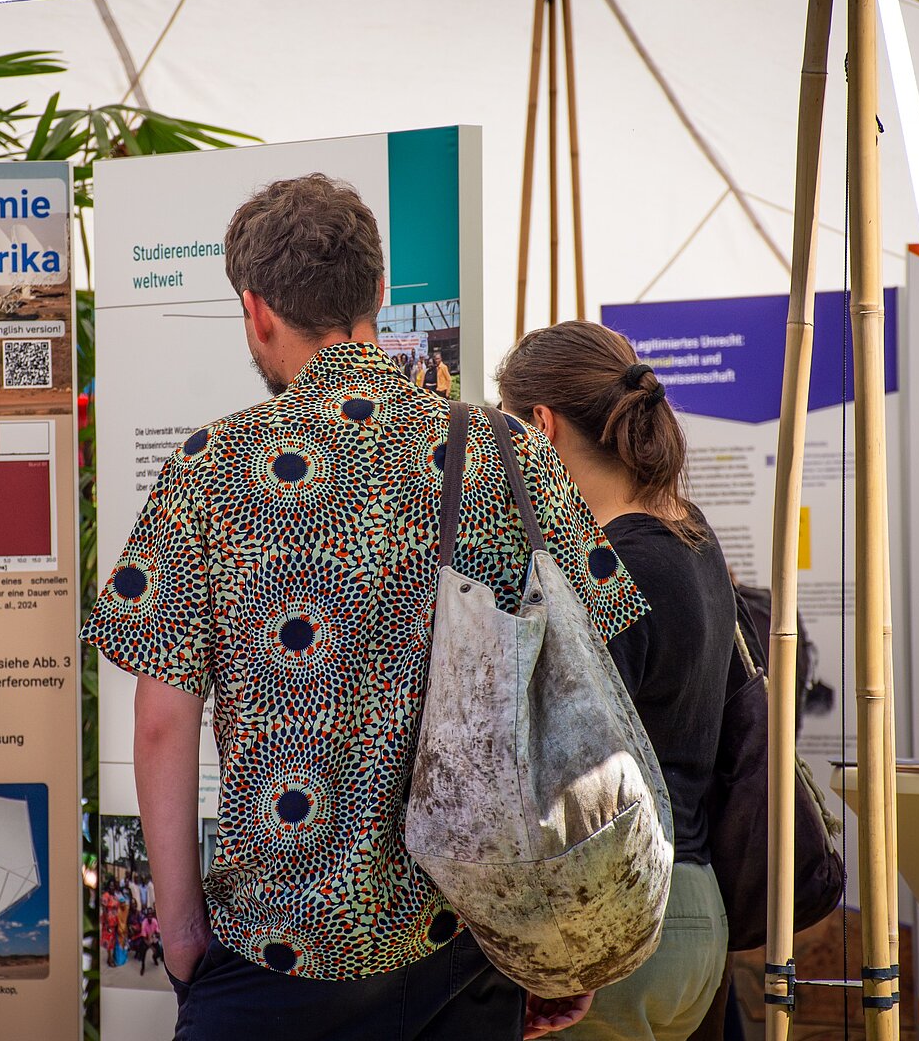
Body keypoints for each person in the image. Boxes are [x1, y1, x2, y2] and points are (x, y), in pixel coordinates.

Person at [82, 174, 649, 1041]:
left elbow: (162, 725)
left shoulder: (210, 469)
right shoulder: (509, 452)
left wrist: (184, 933)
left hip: (275, 946)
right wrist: (548, 939)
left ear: (256, 310)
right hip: (465, 937)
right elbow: (597, 673)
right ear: (378, 292)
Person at [497, 320, 732, 1041]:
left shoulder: (610, 570)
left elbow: (571, 777)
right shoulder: (690, 533)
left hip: (621, 914)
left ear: (541, 426)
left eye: (507, 431)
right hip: (697, 909)